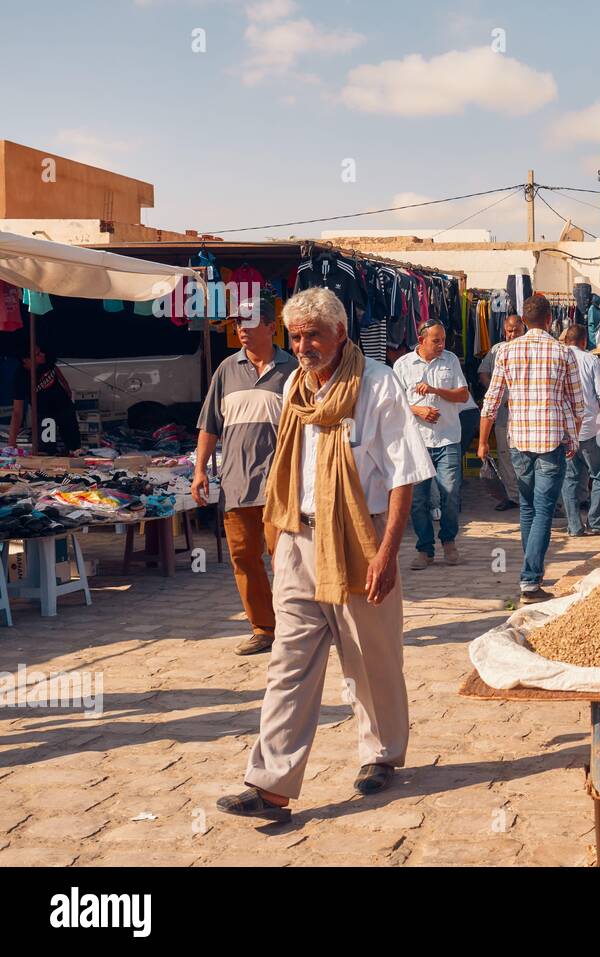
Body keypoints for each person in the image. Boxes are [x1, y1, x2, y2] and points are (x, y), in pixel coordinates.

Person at [216, 287, 433, 822]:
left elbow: (404, 474)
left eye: (314, 333)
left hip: (361, 536)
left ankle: (381, 753)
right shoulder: (294, 385)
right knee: (288, 662)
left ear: (340, 334)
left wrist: (387, 553)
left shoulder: (377, 385)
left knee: (369, 656)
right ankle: (270, 787)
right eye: (296, 334)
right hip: (298, 536)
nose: (304, 344)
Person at [192, 295, 296, 656]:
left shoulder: (293, 370)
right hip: (235, 485)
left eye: (249, 323)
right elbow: (209, 425)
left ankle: (295, 626)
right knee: (243, 559)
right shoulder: (226, 370)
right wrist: (199, 470)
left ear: (271, 326)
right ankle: (263, 628)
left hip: (280, 484)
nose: (242, 330)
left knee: (285, 560)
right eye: (238, 324)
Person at [478, 294, 583, 604]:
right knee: (543, 511)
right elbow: (578, 403)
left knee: (528, 508)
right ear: (550, 320)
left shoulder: (507, 352)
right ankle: (530, 579)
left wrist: (483, 441)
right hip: (551, 440)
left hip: (519, 441)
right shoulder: (563, 352)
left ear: (523, 321)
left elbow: (491, 401)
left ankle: (529, 574)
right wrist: (573, 435)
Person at [394, 320, 469, 568]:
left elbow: (463, 395)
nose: (441, 345)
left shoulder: (451, 361)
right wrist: (418, 410)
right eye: (436, 340)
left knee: (450, 494)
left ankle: (448, 541)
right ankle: (424, 549)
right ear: (421, 339)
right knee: (417, 500)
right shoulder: (403, 365)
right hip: (417, 442)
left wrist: (436, 391)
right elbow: (394, 403)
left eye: (443, 340)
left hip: (447, 438)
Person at [559, 325, 600, 536]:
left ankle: (574, 526)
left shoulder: (557, 358)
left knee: (570, 478)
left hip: (564, 429)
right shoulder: (590, 360)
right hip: (589, 428)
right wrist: (599, 406)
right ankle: (597, 523)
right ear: (584, 341)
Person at [477, 314, 523, 511]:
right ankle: (513, 497)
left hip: (525, 418)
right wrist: (496, 391)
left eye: (516, 330)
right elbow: (483, 373)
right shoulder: (497, 350)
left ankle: (531, 498)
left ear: (524, 329)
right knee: (505, 457)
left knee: (526, 459)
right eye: (509, 330)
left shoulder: (529, 350)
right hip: (503, 416)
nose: (512, 334)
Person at [9, 347, 80, 454]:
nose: (42, 354)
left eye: (40, 352)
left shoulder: (46, 360)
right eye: (37, 354)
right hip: (45, 413)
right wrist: (11, 443)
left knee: (74, 445)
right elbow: (17, 411)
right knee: (47, 450)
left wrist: (66, 386)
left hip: (63, 405)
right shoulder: (20, 377)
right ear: (26, 360)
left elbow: (54, 368)